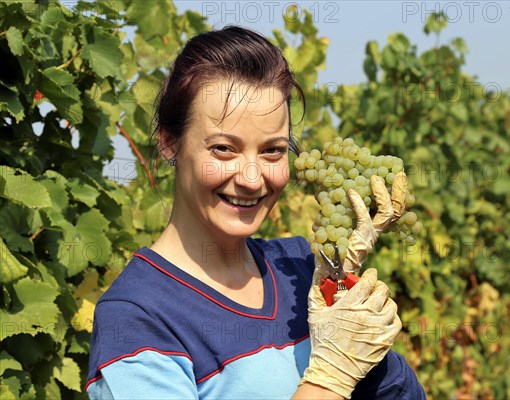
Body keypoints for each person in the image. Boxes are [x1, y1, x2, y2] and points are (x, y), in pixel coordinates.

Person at [85, 26, 426, 399]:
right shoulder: (138, 318)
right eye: (223, 149)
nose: (251, 179)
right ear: (169, 143)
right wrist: (330, 377)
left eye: (272, 151)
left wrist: (340, 284)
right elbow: (336, 378)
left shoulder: (299, 270)